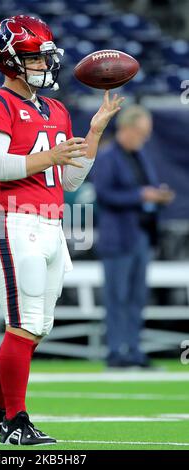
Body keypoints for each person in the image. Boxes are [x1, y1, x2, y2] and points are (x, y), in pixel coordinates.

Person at [0, 15, 123, 445]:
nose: (44, 65)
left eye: (44, 56)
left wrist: (94, 130)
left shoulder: (56, 109)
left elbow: (69, 181)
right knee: (24, 323)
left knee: (38, 326)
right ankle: (15, 423)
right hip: (11, 220)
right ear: (10, 60)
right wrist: (49, 156)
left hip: (50, 224)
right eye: (34, 56)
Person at [92, 105, 174, 369]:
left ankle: (134, 350)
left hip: (141, 235)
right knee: (117, 297)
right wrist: (141, 196)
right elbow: (103, 195)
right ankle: (116, 352)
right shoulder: (107, 157)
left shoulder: (140, 155)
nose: (144, 138)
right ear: (126, 128)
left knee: (137, 298)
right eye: (140, 132)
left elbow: (142, 188)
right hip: (118, 239)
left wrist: (156, 195)